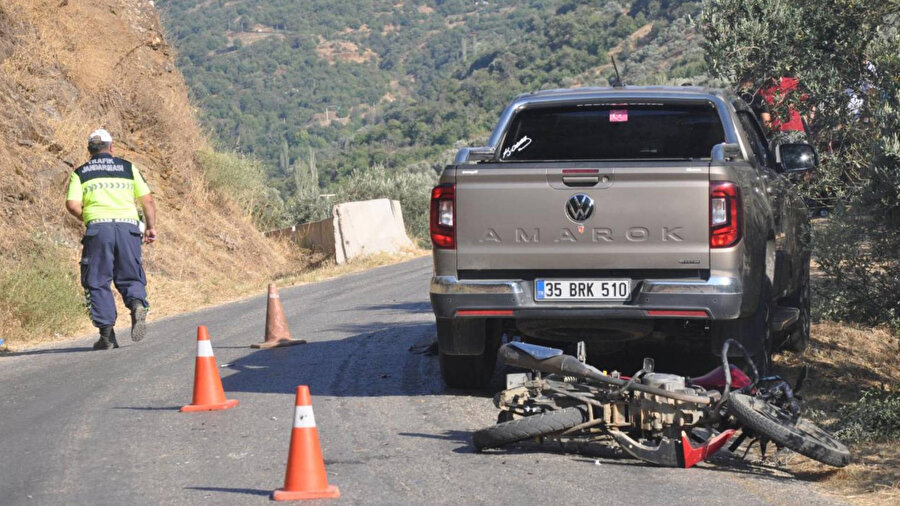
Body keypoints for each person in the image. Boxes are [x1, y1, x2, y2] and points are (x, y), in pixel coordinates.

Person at [65, 129, 157, 350]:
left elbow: (72, 204)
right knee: (130, 273)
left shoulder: (81, 172)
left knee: (97, 279)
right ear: (111, 148)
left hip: (99, 227)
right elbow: (147, 201)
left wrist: (88, 216)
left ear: (89, 150)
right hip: (128, 228)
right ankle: (136, 303)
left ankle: (107, 336)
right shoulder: (128, 168)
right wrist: (151, 227)